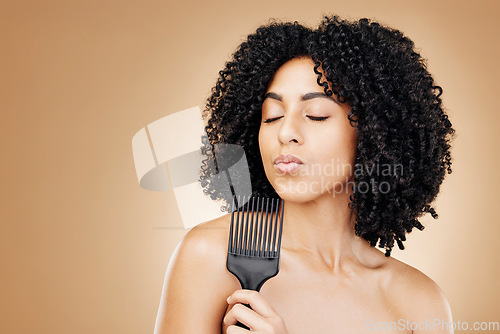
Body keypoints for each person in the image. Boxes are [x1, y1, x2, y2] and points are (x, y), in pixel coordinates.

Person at [154, 15, 455, 333]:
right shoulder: (214, 255)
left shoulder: (420, 303)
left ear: (377, 134)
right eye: (272, 116)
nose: (286, 132)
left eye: (316, 115)